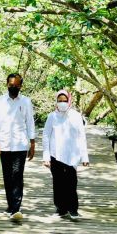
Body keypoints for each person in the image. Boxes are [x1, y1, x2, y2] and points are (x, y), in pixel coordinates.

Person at [0, 73, 36, 221]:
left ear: (20, 86)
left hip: (20, 144)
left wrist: (32, 143)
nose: (13, 88)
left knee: (17, 174)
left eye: (16, 85)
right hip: (4, 143)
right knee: (7, 176)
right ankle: (11, 205)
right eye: (11, 85)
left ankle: (16, 208)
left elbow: (30, 122)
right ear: (7, 85)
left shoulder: (26, 102)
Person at [42, 89, 89, 220]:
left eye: (64, 100)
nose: (62, 103)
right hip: (55, 154)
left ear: (69, 101)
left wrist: (84, 157)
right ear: (56, 102)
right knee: (58, 183)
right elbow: (46, 136)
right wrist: (46, 157)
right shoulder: (52, 116)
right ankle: (60, 209)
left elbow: (81, 136)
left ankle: (73, 209)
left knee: (71, 182)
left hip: (71, 154)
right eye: (59, 100)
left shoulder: (75, 116)